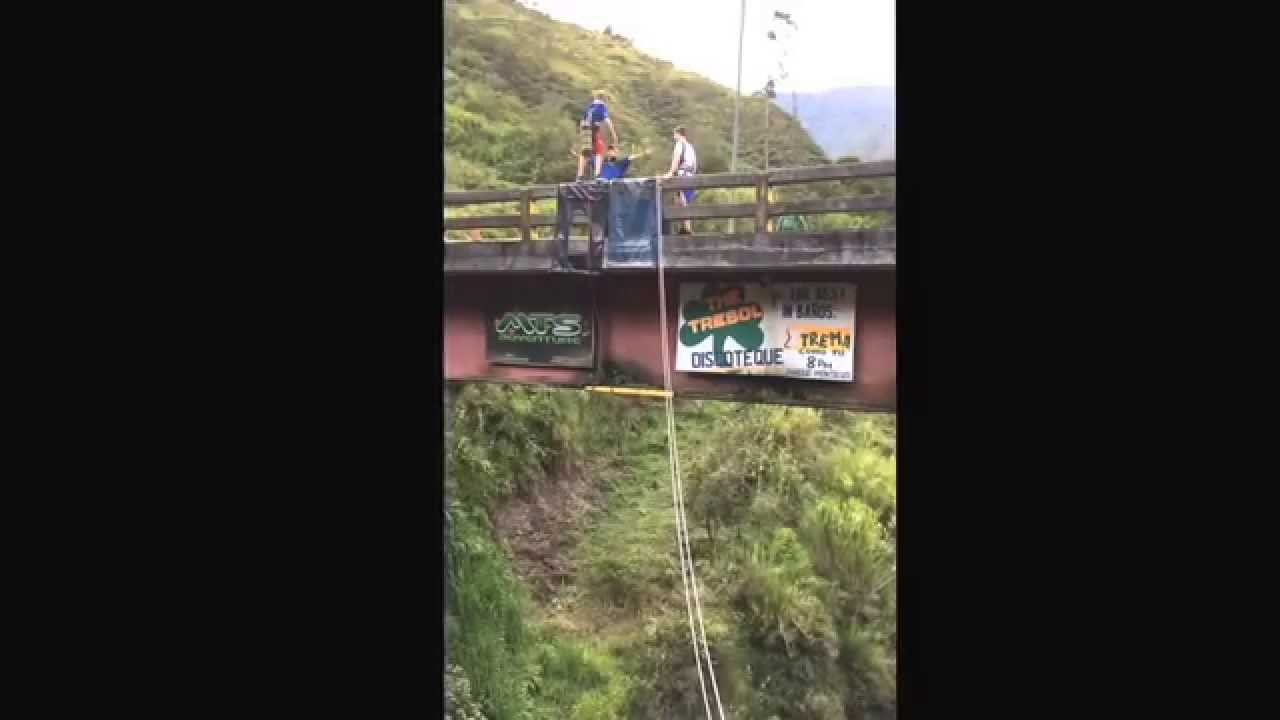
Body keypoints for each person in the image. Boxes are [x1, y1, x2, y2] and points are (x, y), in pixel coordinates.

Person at [662, 126, 697, 234]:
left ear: (678, 134)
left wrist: (670, 173)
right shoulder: (690, 146)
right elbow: (695, 164)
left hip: (683, 175)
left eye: (674, 134)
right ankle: (685, 228)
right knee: (683, 202)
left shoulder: (679, 144)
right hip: (691, 176)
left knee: (682, 202)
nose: (674, 136)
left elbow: (676, 159)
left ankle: (686, 229)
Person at [576, 90, 618, 180]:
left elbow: (583, 120)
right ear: (604, 98)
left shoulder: (590, 106)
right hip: (593, 127)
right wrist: (613, 133)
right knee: (599, 150)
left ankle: (579, 176)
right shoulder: (602, 106)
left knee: (585, 152)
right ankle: (598, 175)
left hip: (585, 127)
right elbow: (607, 121)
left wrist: (581, 133)